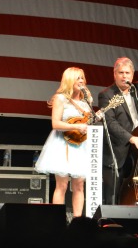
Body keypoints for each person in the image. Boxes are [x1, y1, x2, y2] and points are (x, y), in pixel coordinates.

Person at [98, 57, 138, 206]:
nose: (124, 76)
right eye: (121, 73)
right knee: (112, 195)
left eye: (127, 73)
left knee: (134, 193)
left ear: (132, 75)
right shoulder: (106, 94)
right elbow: (110, 122)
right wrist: (130, 138)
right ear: (114, 74)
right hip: (116, 151)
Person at [35, 67, 93, 219]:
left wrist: (86, 128)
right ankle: (57, 220)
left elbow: (87, 123)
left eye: (82, 78)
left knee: (79, 185)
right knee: (62, 185)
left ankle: (78, 221)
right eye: (77, 78)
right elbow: (55, 124)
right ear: (69, 80)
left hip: (80, 145)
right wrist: (75, 126)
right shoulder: (60, 98)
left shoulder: (87, 102)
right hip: (62, 145)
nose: (81, 81)